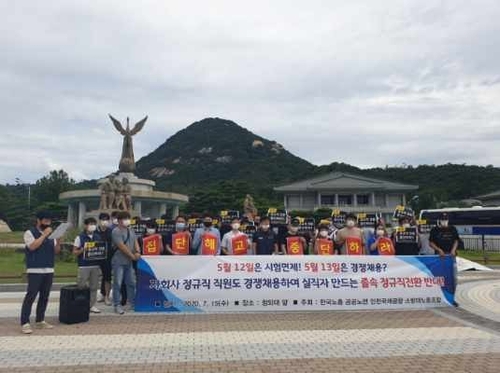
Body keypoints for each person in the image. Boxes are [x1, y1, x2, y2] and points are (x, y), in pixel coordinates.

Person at [20, 211, 62, 334]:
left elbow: (56, 251)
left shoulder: (52, 235)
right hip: (35, 269)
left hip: (49, 269)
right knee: (31, 296)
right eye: (45, 221)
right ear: (38, 220)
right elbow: (32, 246)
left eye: (49, 221)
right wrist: (44, 235)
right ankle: (25, 322)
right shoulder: (29, 232)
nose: (48, 223)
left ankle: (40, 320)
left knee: (45, 296)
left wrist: (58, 241)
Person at [111, 211, 141, 314]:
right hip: (119, 261)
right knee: (117, 283)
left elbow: (135, 242)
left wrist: (137, 251)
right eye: (125, 219)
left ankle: (133, 303)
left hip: (129, 262)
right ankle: (117, 305)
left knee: (131, 282)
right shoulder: (116, 231)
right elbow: (121, 246)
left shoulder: (130, 230)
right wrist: (132, 256)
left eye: (128, 218)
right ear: (119, 221)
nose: (127, 221)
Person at [72, 217, 102, 314]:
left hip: (95, 265)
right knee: (81, 286)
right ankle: (80, 304)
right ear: (85, 225)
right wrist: (83, 249)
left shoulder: (97, 237)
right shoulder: (79, 237)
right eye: (90, 224)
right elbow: (74, 252)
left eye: (94, 224)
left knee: (94, 286)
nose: (92, 226)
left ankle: (92, 305)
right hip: (84, 265)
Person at [97, 212, 113, 305]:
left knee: (107, 277)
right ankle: (100, 294)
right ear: (99, 221)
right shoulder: (95, 231)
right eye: (103, 219)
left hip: (108, 257)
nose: (105, 221)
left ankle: (106, 296)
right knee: (95, 277)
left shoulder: (111, 231)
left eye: (106, 220)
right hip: (96, 257)